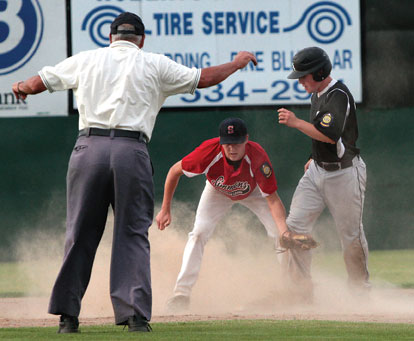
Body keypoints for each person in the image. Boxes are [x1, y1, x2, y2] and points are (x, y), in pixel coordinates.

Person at [11, 12, 257, 333]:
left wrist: (21, 86)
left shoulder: (88, 59)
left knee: (80, 233)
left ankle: (67, 318)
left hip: (89, 149)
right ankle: (135, 317)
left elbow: (37, 82)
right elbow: (205, 78)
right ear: (141, 40)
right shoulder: (153, 63)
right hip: (131, 148)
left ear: (110, 37)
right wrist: (236, 63)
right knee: (131, 234)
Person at [156, 117, 289, 312]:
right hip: (217, 191)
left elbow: (273, 199)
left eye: (237, 143)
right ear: (221, 142)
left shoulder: (257, 156)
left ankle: (290, 289)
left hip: (253, 192)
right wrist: (165, 208)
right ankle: (181, 294)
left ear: (246, 140)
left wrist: (285, 231)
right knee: (199, 233)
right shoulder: (208, 152)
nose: (232, 148)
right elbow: (174, 171)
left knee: (280, 235)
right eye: (227, 143)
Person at [277, 46, 370, 300]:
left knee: (350, 235)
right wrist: (312, 157)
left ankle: (360, 291)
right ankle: (301, 289)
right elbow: (321, 135)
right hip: (317, 171)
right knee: (294, 228)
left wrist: (295, 122)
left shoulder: (338, 94)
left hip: (345, 174)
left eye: (304, 76)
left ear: (320, 72)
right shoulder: (316, 94)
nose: (301, 81)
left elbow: (330, 136)